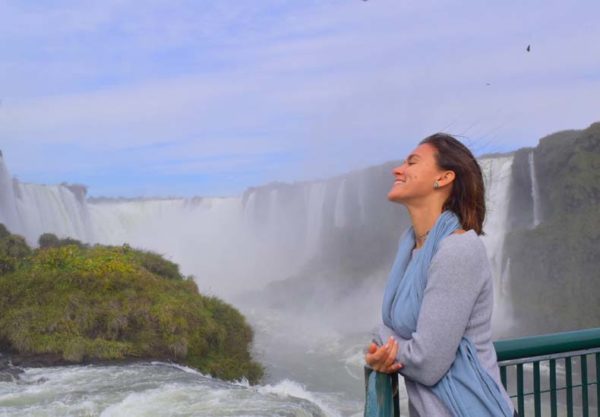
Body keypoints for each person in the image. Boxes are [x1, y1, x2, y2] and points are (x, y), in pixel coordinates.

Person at [364, 133, 516, 417]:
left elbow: (427, 364)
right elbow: (405, 341)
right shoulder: (410, 248)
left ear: (443, 178)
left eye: (412, 162)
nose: (397, 170)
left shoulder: (458, 249)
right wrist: (380, 353)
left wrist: (382, 340)